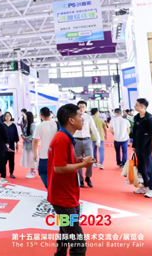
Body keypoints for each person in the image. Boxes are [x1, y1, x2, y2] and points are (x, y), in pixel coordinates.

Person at [48, 103, 94, 255]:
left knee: (64, 237)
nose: (83, 119)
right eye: (80, 116)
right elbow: (59, 168)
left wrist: (77, 160)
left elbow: (62, 162)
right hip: (64, 198)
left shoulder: (65, 137)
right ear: (71, 120)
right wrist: (83, 165)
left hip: (67, 195)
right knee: (78, 246)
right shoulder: (62, 139)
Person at [133, 98, 152, 198]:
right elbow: (135, 133)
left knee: (150, 169)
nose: (135, 106)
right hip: (139, 148)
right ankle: (146, 186)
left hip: (149, 148)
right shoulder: (136, 118)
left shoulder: (151, 119)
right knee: (142, 168)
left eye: (136, 105)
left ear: (142, 107)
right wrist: (134, 146)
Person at [74, 101, 100, 188]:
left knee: (90, 159)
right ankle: (80, 179)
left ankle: (88, 177)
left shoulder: (88, 117)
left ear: (85, 108)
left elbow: (94, 129)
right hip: (76, 140)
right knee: (78, 161)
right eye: (80, 107)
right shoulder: (73, 117)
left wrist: (98, 140)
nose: (81, 109)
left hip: (87, 140)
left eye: (83, 107)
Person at [33, 107, 58, 188]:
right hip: (56, 153)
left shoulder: (39, 126)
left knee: (43, 172)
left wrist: (35, 154)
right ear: (50, 114)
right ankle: (54, 189)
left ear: (41, 115)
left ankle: (49, 188)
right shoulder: (56, 124)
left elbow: (35, 141)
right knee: (56, 173)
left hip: (44, 154)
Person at [20, 111, 38, 178]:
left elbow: (34, 136)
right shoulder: (27, 124)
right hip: (27, 145)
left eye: (25, 116)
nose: (24, 117)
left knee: (31, 158)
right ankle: (32, 170)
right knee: (29, 158)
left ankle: (32, 172)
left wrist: (26, 138)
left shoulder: (32, 125)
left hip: (31, 145)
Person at [4, 112, 20, 179]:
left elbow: (16, 135)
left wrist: (17, 144)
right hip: (4, 145)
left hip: (11, 144)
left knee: (11, 159)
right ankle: (3, 173)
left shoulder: (13, 125)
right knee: (4, 159)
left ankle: (11, 172)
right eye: (6, 116)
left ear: (11, 117)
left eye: (9, 116)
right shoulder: (2, 125)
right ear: (4, 117)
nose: (8, 117)